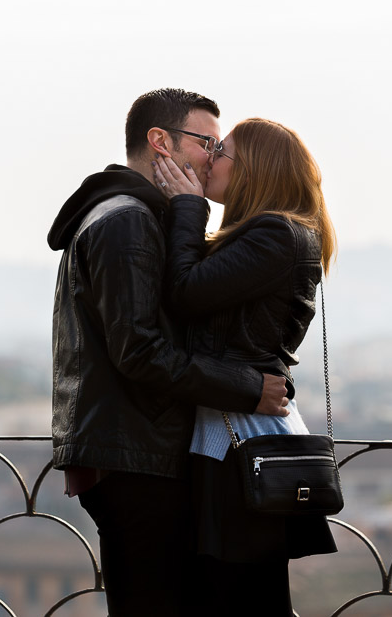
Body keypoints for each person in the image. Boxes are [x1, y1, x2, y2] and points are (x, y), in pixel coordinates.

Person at [47, 90, 291, 616]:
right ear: (160, 142)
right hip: (138, 459)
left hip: (133, 451)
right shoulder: (129, 220)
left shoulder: (126, 214)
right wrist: (250, 388)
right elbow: (139, 350)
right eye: (207, 142)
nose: (214, 157)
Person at [152, 117, 338, 616]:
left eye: (223, 152)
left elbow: (185, 294)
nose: (210, 159)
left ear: (254, 169)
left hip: (244, 438)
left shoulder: (275, 235)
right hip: (237, 430)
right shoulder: (270, 234)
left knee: (243, 595)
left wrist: (187, 208)